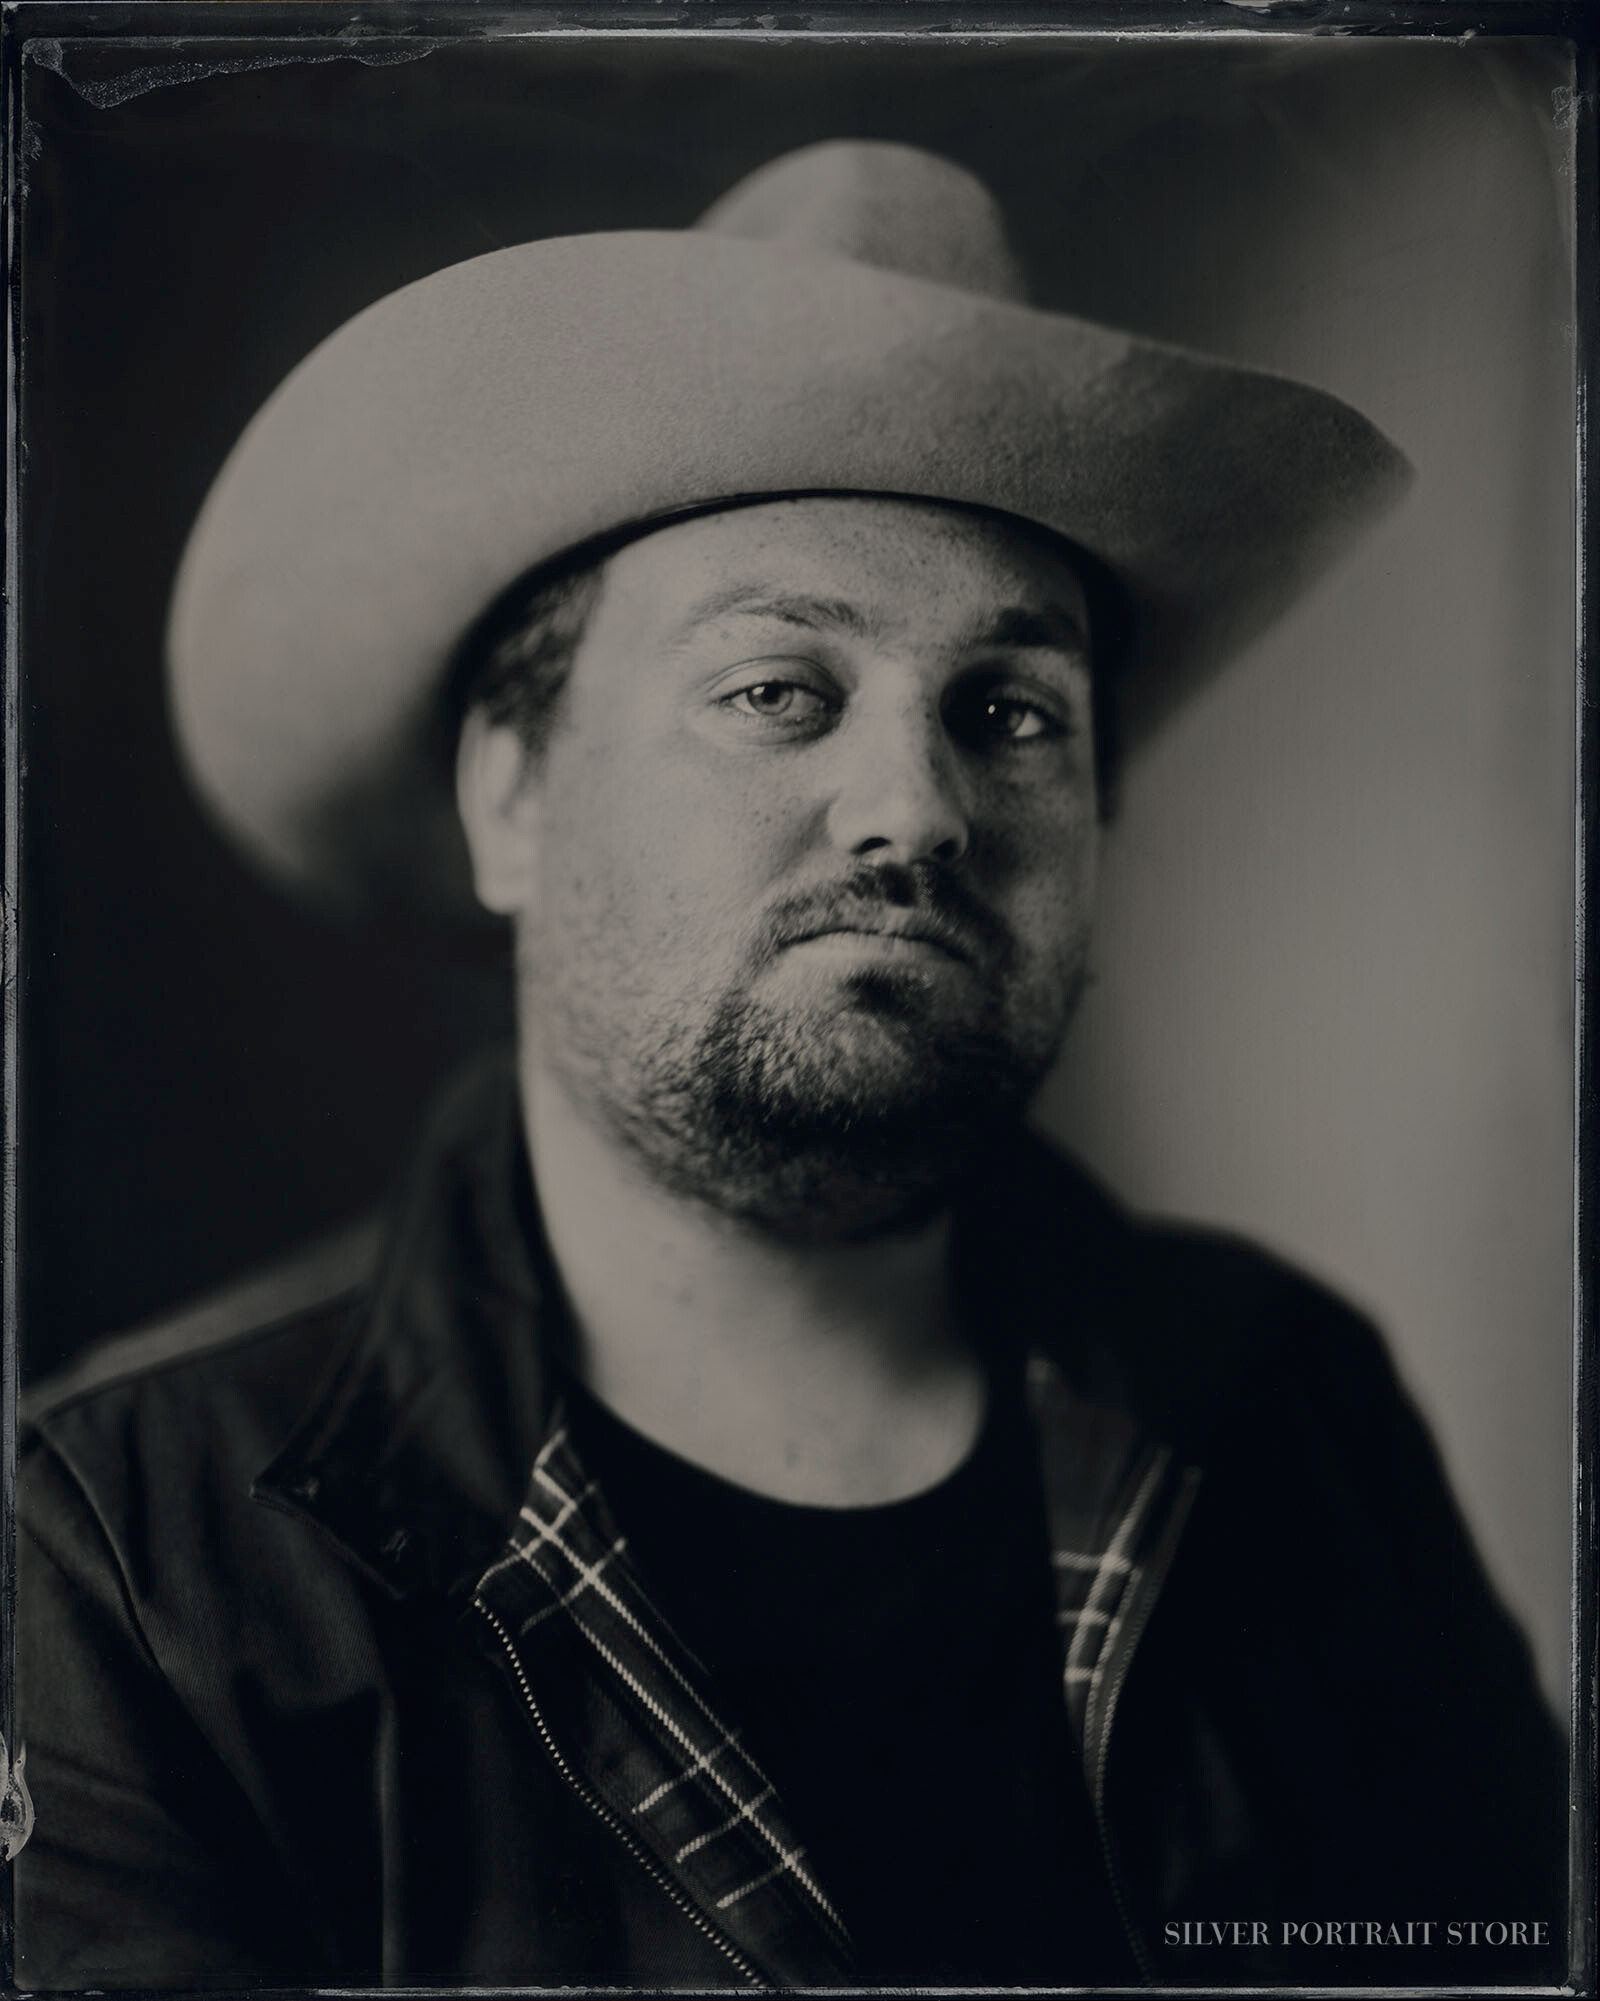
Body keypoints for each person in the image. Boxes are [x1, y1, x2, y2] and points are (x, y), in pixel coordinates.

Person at [16, 140, 1566, 1990]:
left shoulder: (1293, 1417)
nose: (916, 808)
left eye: (1013, 713)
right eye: (776, 692)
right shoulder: (127, 1560)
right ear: (510, 795)